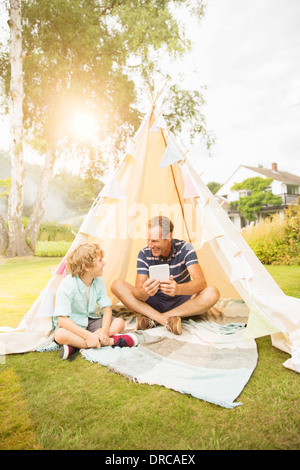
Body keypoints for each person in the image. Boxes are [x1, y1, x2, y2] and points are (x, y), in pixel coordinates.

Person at [111, 216, 220, 335]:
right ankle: (164, 320)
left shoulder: (185, 248)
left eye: (155, 241)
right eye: (148, 240)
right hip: (154, 302)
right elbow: (138, 293)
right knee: (117, 285)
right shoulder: (144, 254)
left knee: (212, 292)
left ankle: (155, 319)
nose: (150, 245)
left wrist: (178, 289)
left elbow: (201, 283)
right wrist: (145, 292)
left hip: (182, 302)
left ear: (169, 237)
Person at [53, 243, 138, 360]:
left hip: (90, 321)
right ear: (86, 267)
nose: (104, 263)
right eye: (100, 260)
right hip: (72, 325)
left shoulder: (98, 281)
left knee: (119, 322)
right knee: (60, 335)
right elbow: (62, 320)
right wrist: (88, 336)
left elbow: (107, 309)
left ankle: (75, 346)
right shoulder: (68, 285)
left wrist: (103, 331)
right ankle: (112, 341)